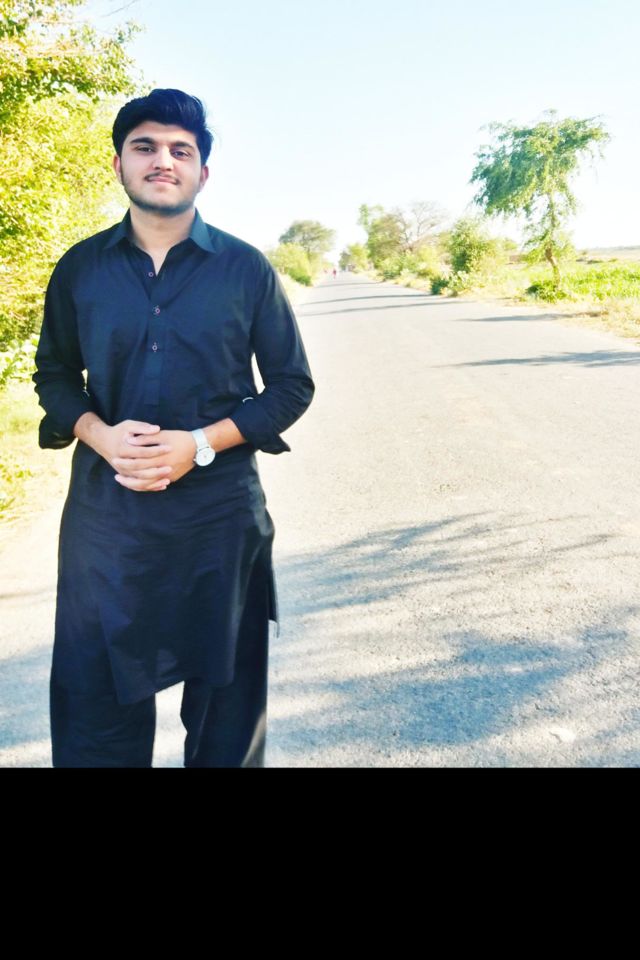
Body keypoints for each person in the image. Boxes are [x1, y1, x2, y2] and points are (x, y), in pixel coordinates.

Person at [33, 88, 314, 768]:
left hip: (218, 524)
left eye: (180, 150)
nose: (164, 160)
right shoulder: (80, 269)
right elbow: (54, 375)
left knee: (226, 721)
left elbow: (291, 386)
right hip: (108, 527)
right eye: (146, 147)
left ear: (202, 173)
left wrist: (199, 444)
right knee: (94, 716)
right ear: (119, 165)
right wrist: (99, 433)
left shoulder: (245, 269)